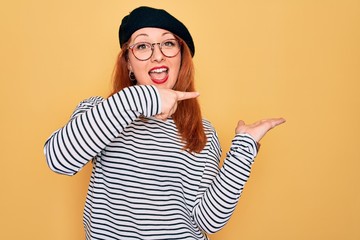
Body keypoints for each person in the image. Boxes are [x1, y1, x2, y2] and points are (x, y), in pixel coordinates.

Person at [44, 6, 285, 240]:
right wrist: (141, 96)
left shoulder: (203, 131)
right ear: (128, 62)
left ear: (181, 57)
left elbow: (209, 221)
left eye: (168, 43)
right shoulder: (101, 111)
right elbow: (58, 159)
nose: (157, 55)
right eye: (142, 46)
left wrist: (244, 148)